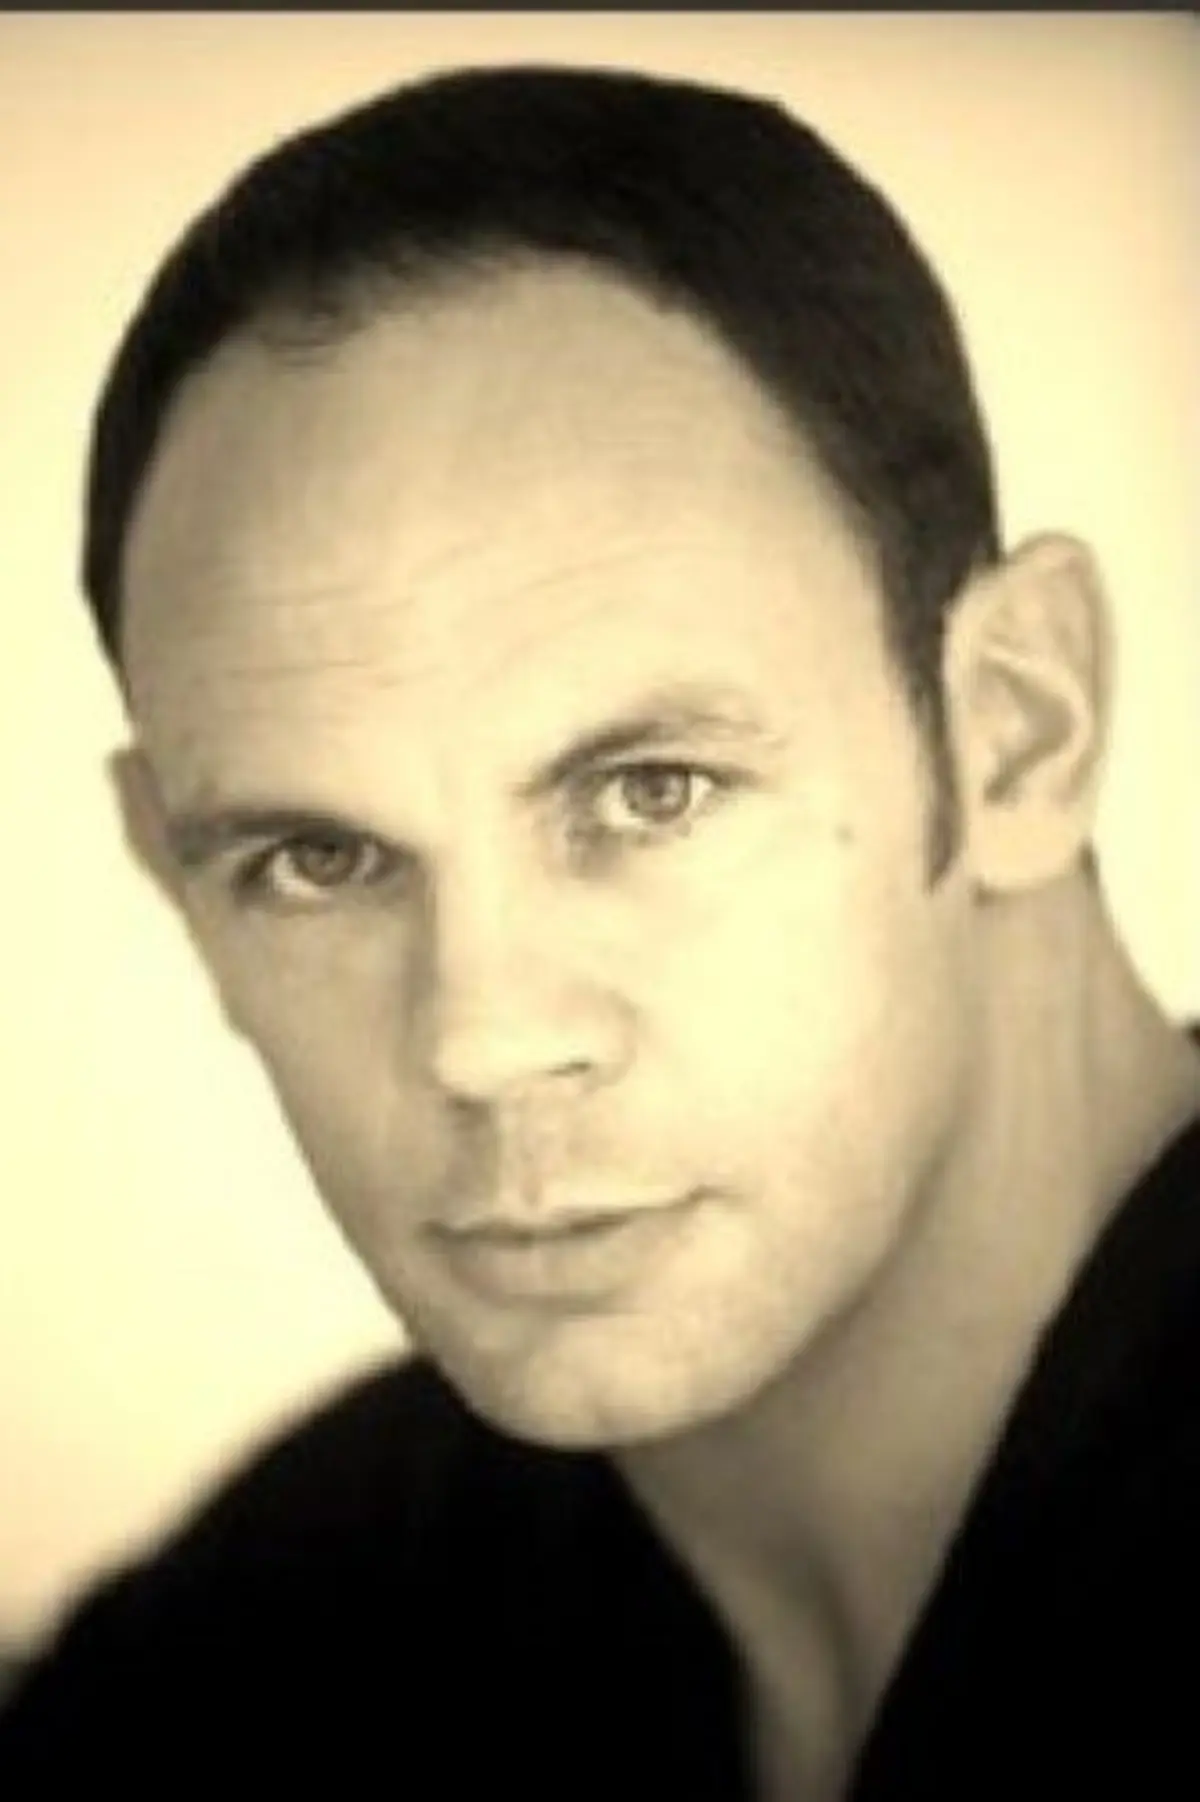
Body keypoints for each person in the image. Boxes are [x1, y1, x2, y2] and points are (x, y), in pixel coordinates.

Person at [1, 62, 1197, 1800]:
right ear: (179, 886)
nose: (483, 1036)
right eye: (320, 858)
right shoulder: (323, 1628)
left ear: (1017, 728)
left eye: (650, 791)